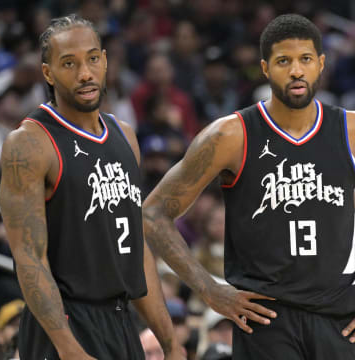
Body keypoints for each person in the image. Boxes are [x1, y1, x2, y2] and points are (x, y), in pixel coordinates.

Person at [143, 13, 355, 359]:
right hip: (265, 320)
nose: (297, 71)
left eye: (305, 60)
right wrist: (208, 289)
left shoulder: (350, 131)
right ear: (265, 68)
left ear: (321, 63)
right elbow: (152, 213)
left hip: (339, 318)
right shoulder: (231, 135)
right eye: (284, 61)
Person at [0, 14, 183, 360]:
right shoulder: (29, 144)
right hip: (65, 324)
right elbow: (30, 260)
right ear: (48, 73)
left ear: (105, 61)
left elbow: (134, 250)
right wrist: (68, 348)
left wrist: (169, 341)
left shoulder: (125, 136)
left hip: (120, 320)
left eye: (92, 59)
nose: (85, 73)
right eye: (69, 63)